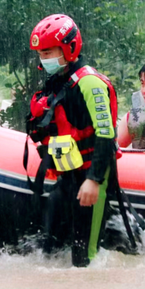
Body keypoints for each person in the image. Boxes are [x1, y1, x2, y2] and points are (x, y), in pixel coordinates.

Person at [26, 14, 119, 267]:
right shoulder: (59, 82)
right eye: (40, 54)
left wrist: (94, 180)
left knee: (84, 258)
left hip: (91, 175)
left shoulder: (89, 82)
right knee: (49, 249)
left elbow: (105, 134)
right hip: (68, 176)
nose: (43, 59)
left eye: (48, 52)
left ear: (69, 48)